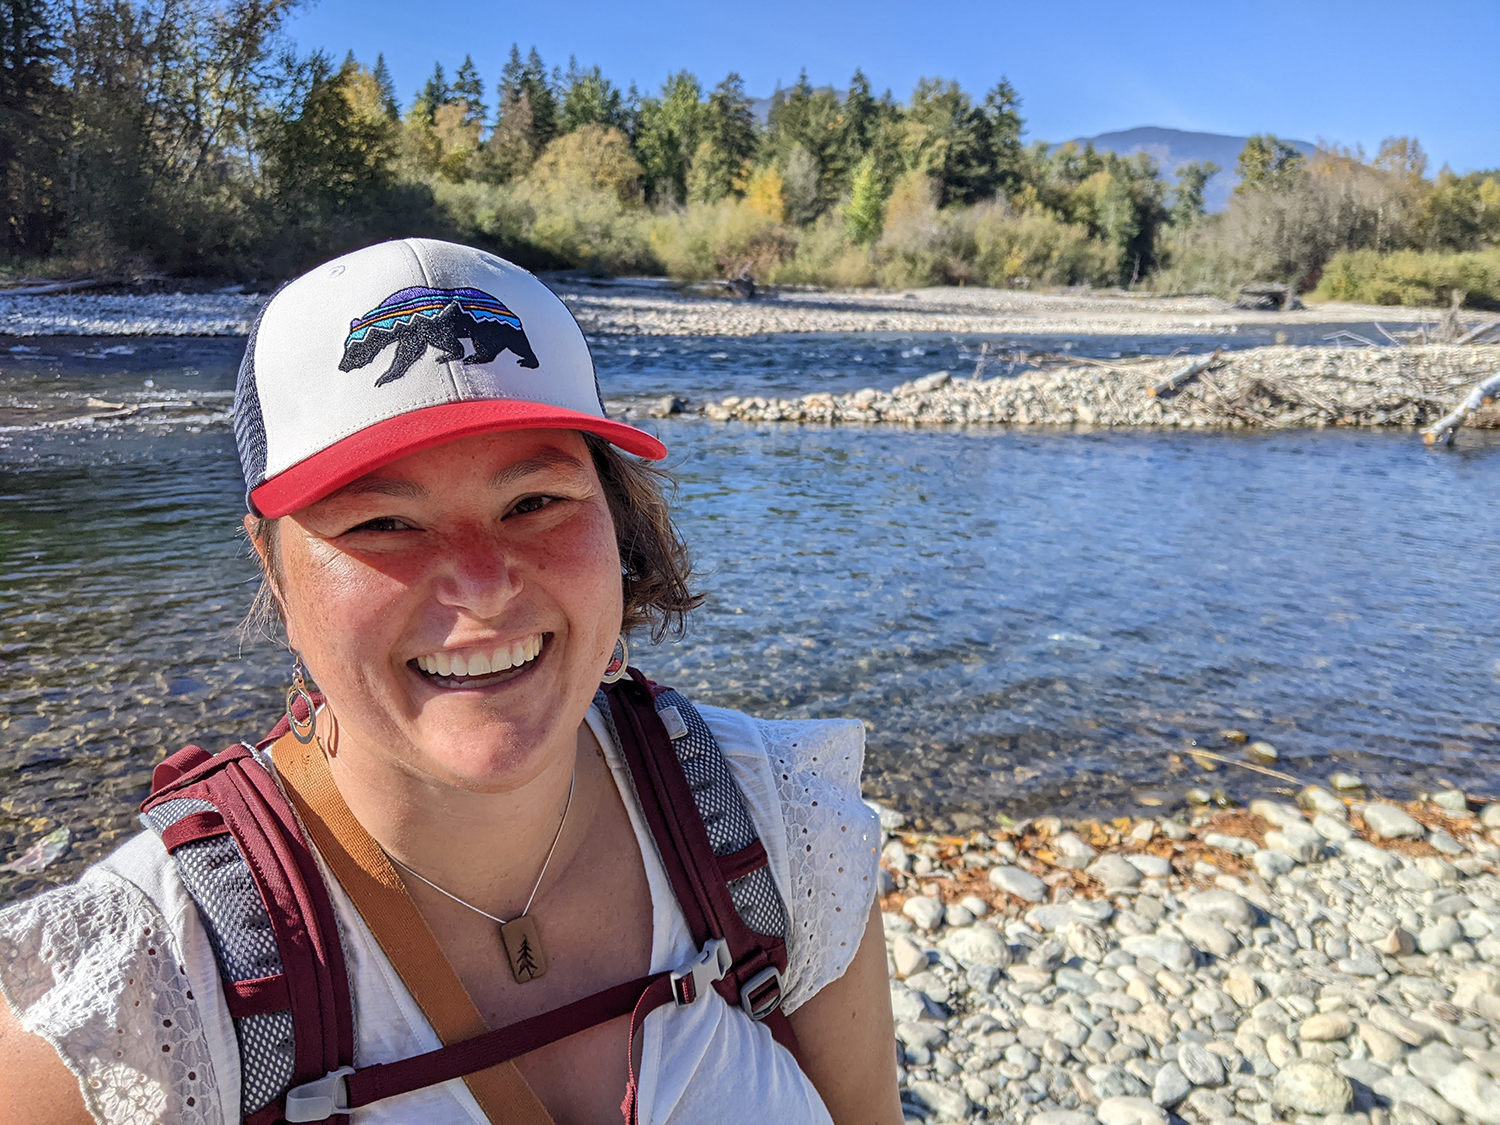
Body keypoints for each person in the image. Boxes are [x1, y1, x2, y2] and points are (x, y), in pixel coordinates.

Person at [0, 239, 902, 1125]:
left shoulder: (778, 826)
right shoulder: (142, 1006)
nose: (483, 585)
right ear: (273, 570)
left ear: (617, 520)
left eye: (534, 502)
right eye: (385, 522)